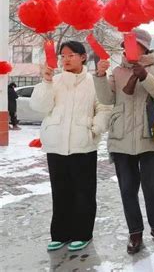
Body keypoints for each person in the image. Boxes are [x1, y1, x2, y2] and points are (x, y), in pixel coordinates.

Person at [94, 28, 154, 254]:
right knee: (127, 189)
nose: (127, 49)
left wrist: (145, 76)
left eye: (133, 45)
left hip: (151, 138)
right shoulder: (117, 71)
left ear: (144, 47)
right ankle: (134, 232)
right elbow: (106, 98)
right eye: (125, 45)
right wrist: (99, 75)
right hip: (121, 138)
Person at [30, 41, 111, 252]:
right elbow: (40, 107)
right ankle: (60, 234)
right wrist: (46, 82)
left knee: (83, 192)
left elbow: (104, 108)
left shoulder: (94, 82)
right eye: (63, 56)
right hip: (56, 144)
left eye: (71, 55)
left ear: (83, 57)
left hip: (83, 144)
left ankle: (82, 233)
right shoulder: (54, 81)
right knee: (60, 191)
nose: (65, 59)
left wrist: (95, 128)